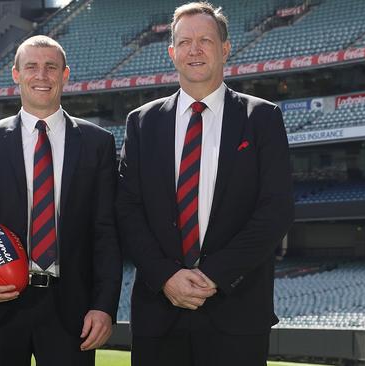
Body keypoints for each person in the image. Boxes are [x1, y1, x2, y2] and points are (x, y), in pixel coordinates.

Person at [116, 2, 294, 366]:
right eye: (184, 42)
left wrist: (212, 275)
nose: (194, 50)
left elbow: (276, 211)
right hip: (159, 313)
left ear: (225, 48)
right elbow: (127, 209)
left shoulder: (261, 117)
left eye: (205, 40)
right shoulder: (142, 122)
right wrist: (166, 276)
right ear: (171, 52)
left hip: (237, 312)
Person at [0, 35, 122, 366]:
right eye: (31, 66)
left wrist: (104, 305)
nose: (41, 75)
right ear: (16, 74)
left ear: (65, 74)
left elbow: (105, 231)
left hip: (71, 310)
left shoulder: (97, 143)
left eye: (51, 67)